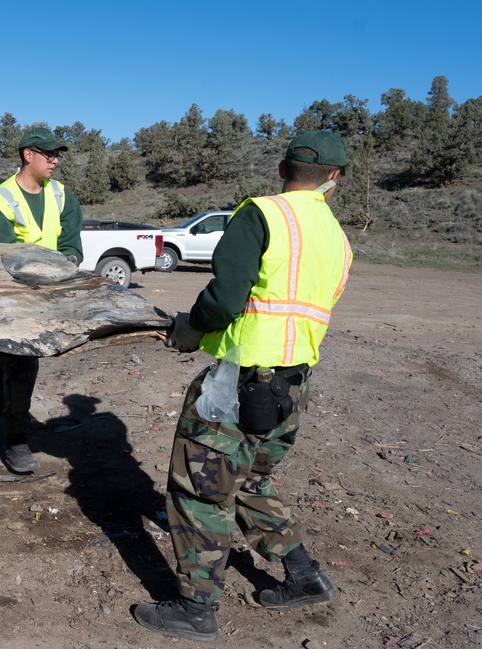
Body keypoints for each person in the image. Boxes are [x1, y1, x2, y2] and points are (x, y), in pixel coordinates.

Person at [133, 131, 352, 642]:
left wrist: (193, 327)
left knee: (202, 490)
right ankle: (305, 578)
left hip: (239, 382)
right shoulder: (337, 237)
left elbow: (226, 298)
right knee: (252, 481)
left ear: (282, 167)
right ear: (334, 179)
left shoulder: (262, 214)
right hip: (291, 388)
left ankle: (196, 608)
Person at [0, 127, 84, 473]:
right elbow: (0, 257)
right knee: (23, 363)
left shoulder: (61, 195)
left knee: (6, 363)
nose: (55, 161)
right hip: (14, 297)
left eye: (58, 155)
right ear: (27, 155)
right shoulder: (2, 199)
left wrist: (66, 267)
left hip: (48, 293)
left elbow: (71, 243)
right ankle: (17, 440)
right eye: (49, 155)